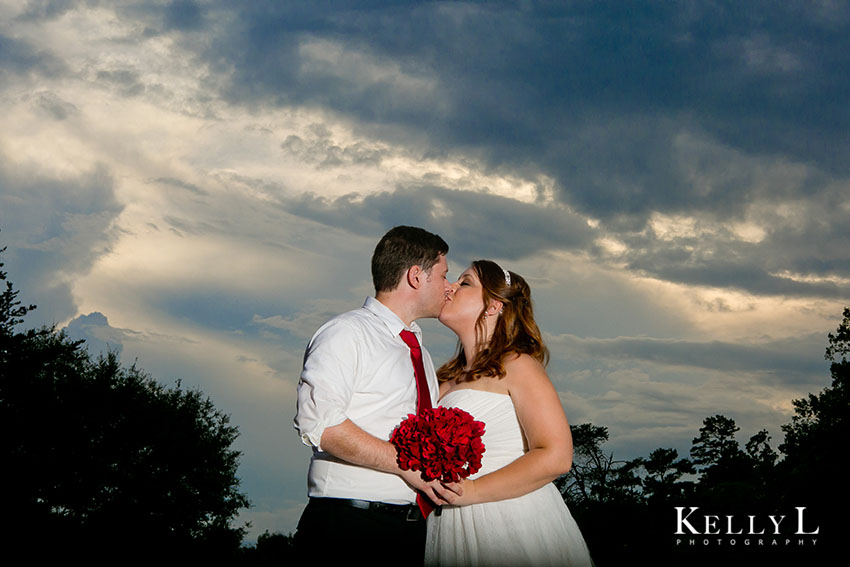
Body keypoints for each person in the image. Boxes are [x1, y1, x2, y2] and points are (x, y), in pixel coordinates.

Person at [293, 226, 462, 564]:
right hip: (348, 531)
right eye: (443, 275)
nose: (450, 287)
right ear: (416, 276)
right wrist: (406, 465)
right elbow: (321, 425)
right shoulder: (346, 333)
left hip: (409, 531)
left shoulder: (420, 353)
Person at [426, 259, 594, 566]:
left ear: (493, 305)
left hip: (506, 518)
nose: (449, 287)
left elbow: (556, 455)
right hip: (449, 523)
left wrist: (474, 490)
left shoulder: (518, 366)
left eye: (464, 283)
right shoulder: (443, 378)